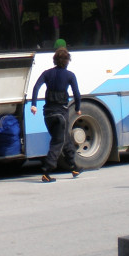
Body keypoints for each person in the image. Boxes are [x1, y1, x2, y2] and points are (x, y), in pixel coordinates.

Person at [30, 46, 82, 182]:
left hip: (48, 114)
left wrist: (34, 104)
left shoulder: (47, 73)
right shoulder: (70, 75)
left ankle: (74, 167)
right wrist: (77, 108)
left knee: (64, 138)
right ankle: (46, 171)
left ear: (54, 60)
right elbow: (77, 94)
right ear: (67, 61)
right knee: (58, 141)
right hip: (61, 114)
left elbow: (36, 87)